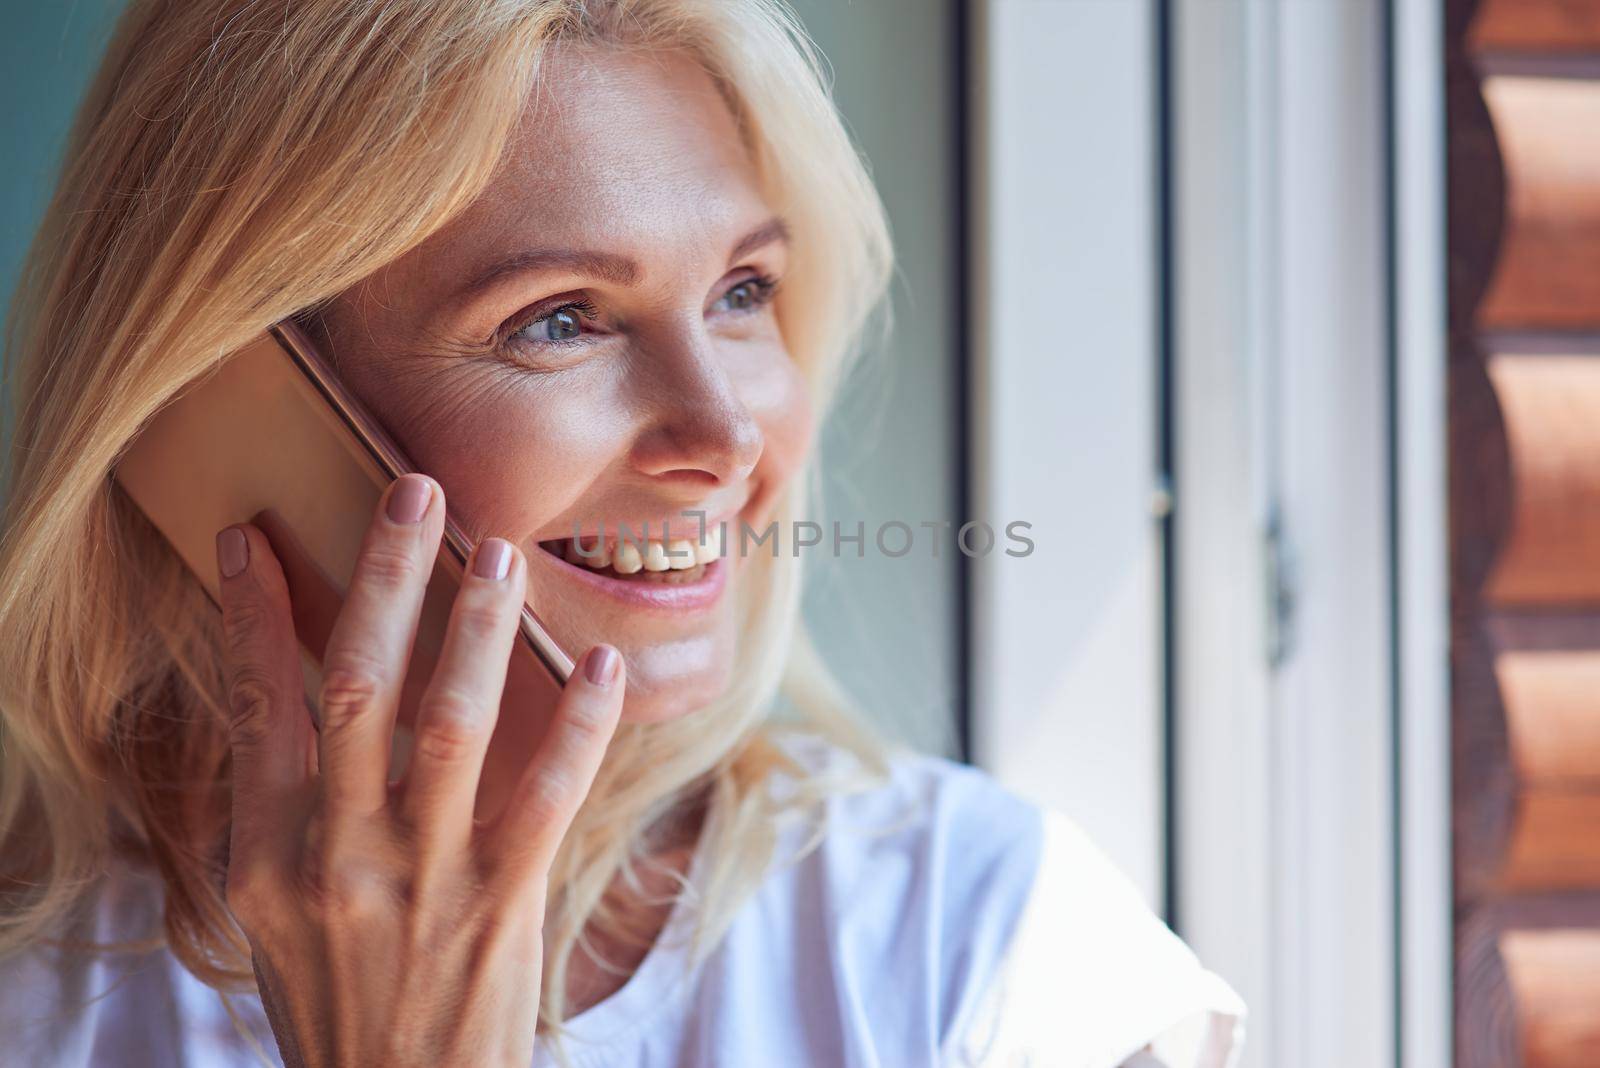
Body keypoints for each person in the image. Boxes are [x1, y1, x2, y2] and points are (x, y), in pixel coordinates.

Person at [0, 1, 1244, 1065]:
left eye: (742, 292)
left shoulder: (981, 944)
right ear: (223, 404)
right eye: (560, 320)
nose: (726, 434)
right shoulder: (35, 982)